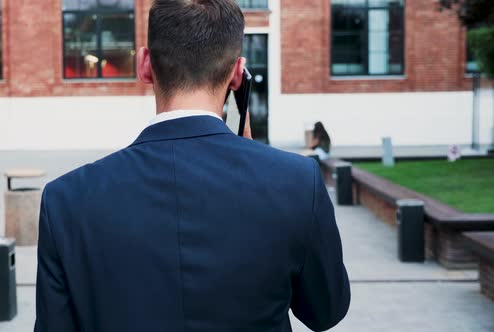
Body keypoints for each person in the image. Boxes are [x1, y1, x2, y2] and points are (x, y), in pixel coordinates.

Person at [34, 1, 350, 331]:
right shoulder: (297, 182)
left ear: (144, 65)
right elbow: (325, 311)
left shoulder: (66, 200)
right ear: (237, 74)